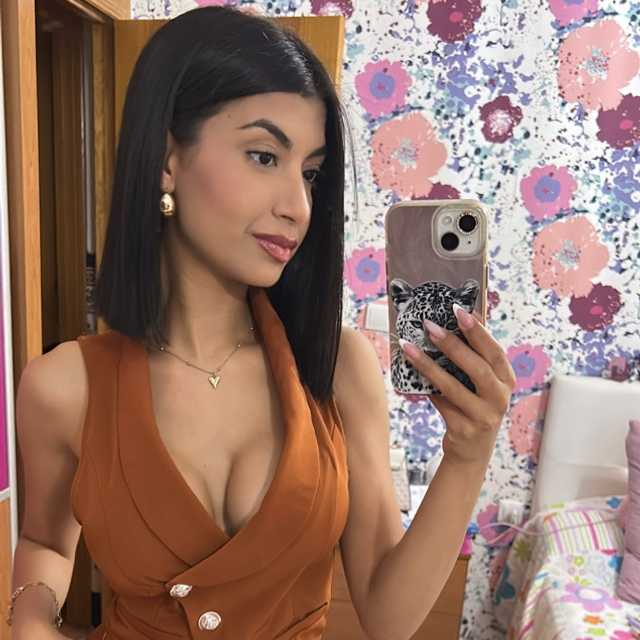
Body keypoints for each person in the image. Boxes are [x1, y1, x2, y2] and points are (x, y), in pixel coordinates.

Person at [9, 6, 516, 640]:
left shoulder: (335, 366)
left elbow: (389, 617)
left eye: (310, 173)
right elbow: (45, 541)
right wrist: (29, 618)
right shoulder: (62, 387)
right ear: (166, 159)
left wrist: (467, 456)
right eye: (263, 156)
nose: (298, 206)